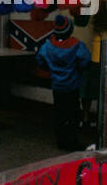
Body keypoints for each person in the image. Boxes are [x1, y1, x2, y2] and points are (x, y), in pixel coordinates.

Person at [35, 13, 90, 150]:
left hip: (57, 86)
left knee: (59, 114)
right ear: (70, 30)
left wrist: (49, 68)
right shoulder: (76, 45)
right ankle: (72, 141)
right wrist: (79, 70)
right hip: (72, 86)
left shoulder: (47, 46)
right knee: (73, 114)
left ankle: (61, 141)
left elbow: (39, 60)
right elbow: (86, 60)